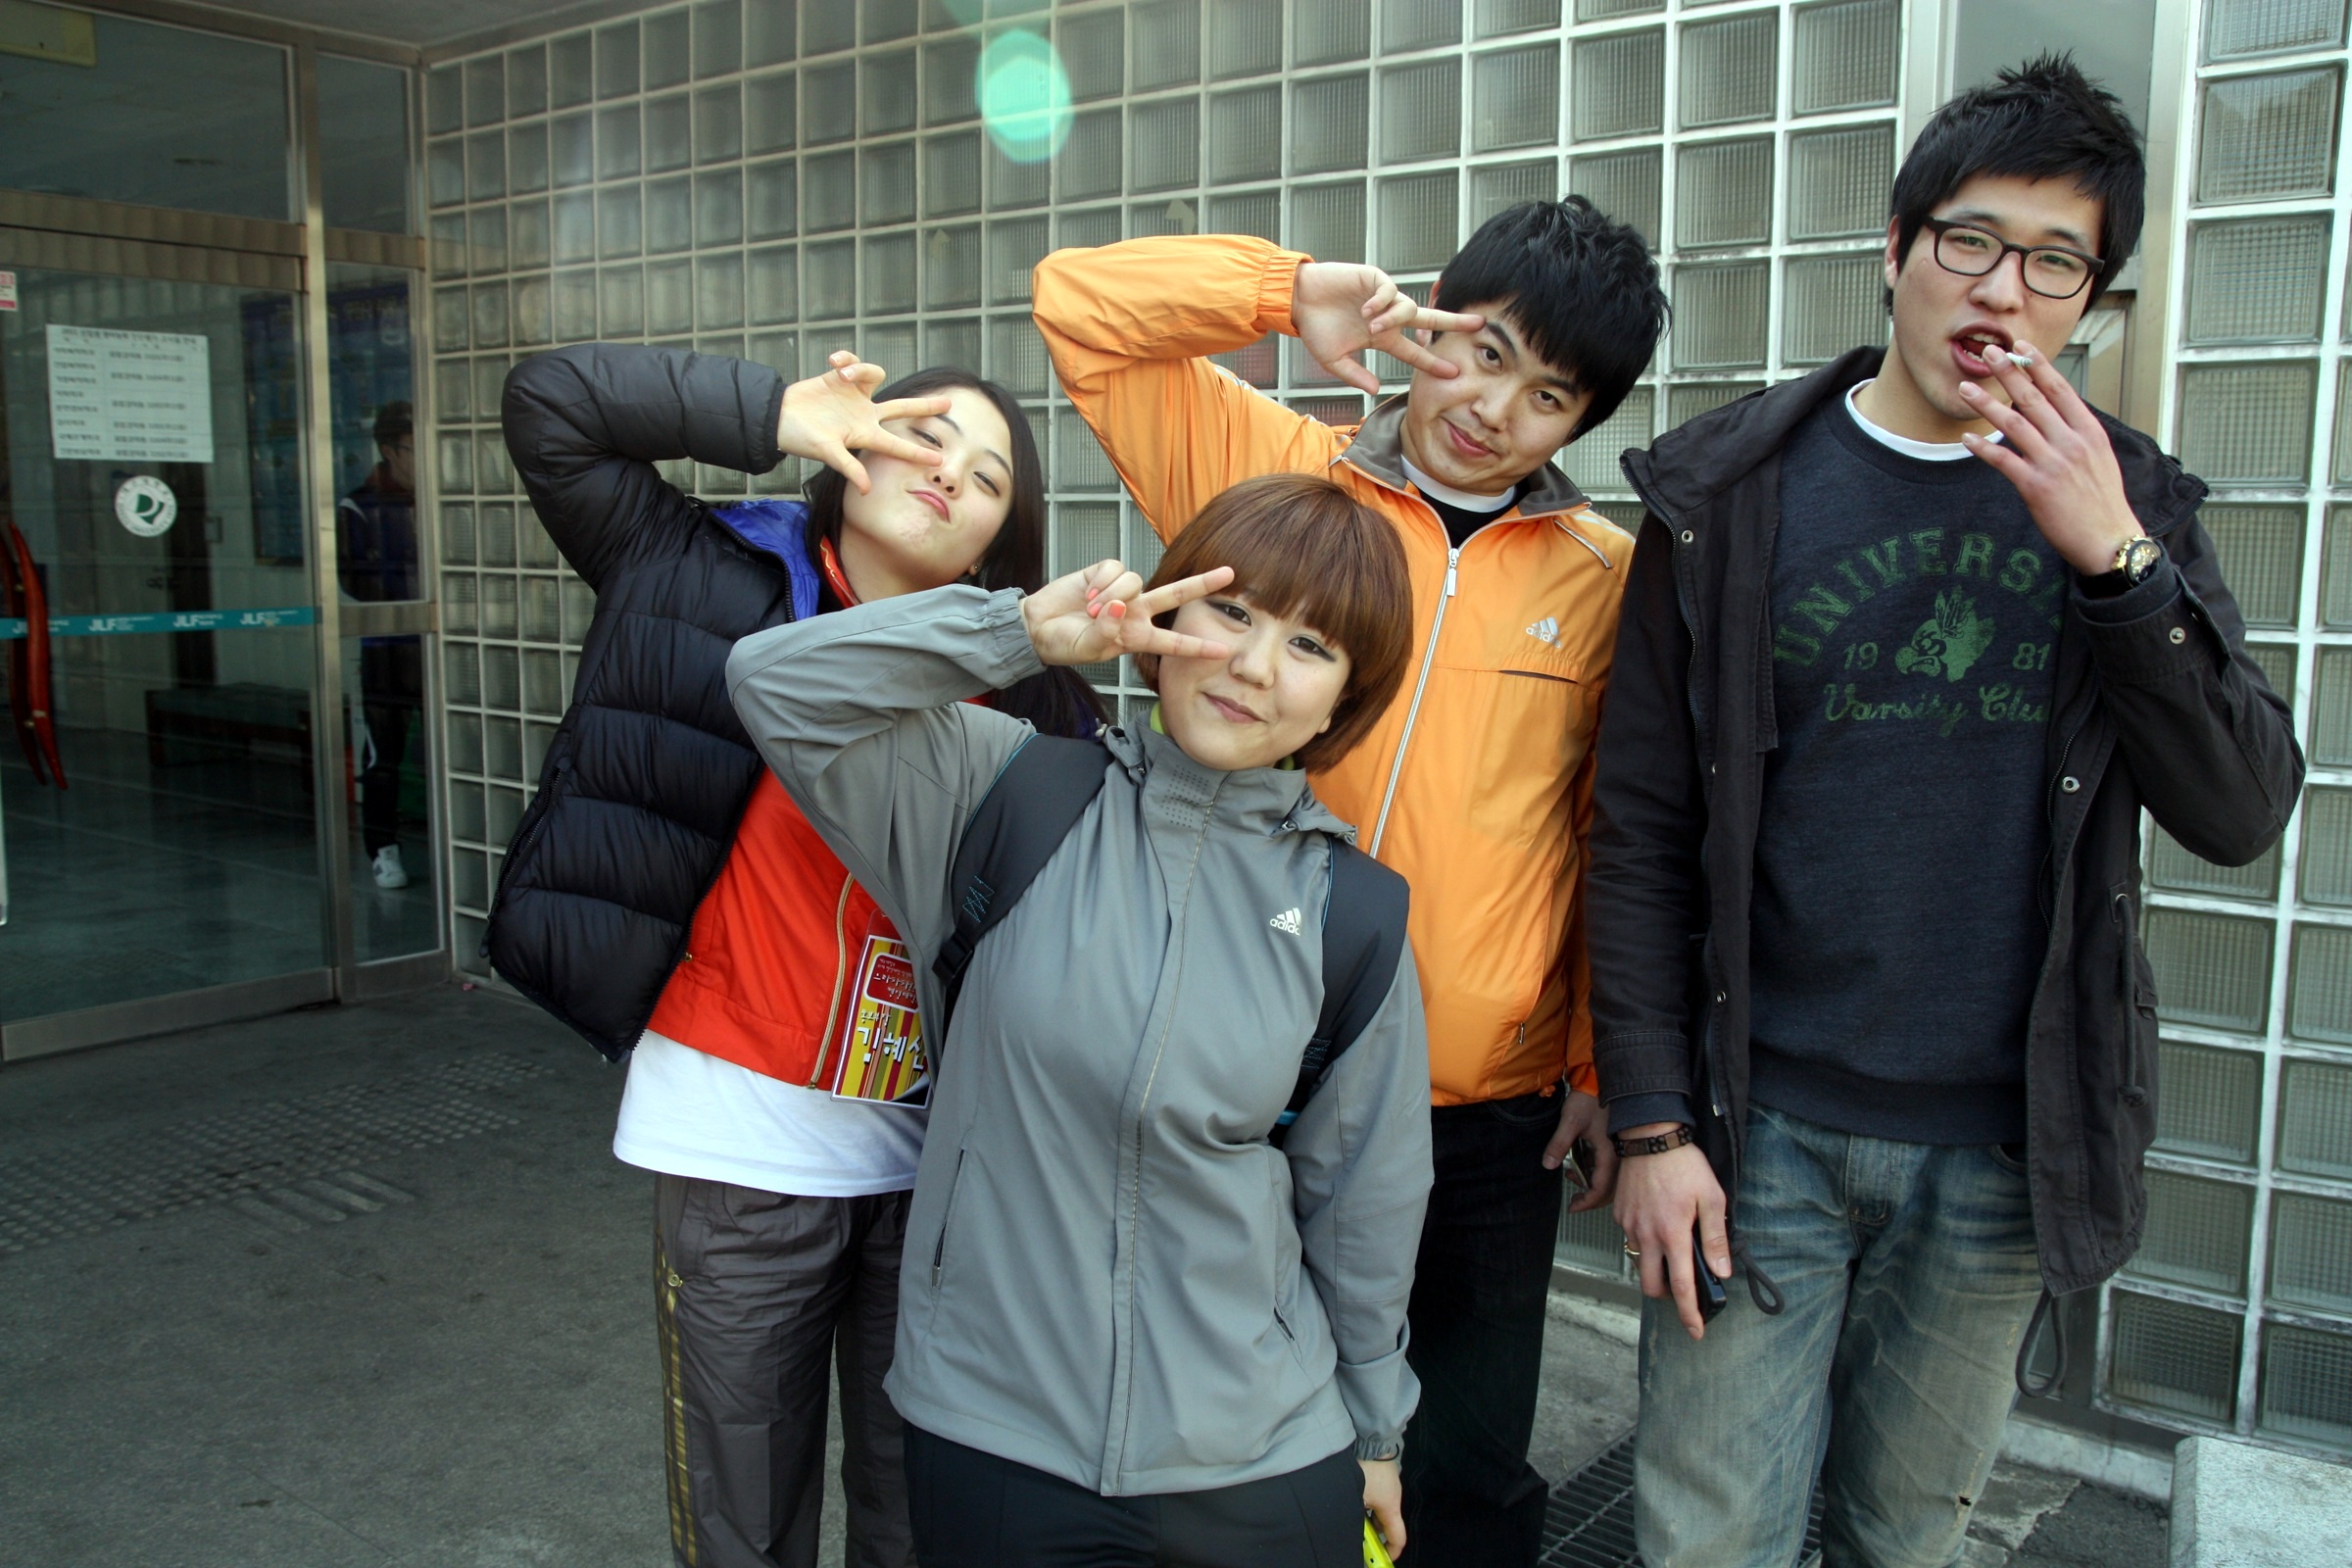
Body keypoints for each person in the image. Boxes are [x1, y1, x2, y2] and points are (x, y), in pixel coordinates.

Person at [1590, 57, 2304, 1568]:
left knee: (1905, 1536)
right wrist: (1652, 1120)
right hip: (1757, 1128)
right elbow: (1640, 827)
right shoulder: (1727, 496)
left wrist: (2116, 566)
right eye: (1971, 241)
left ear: (2090, 300)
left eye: (2056, 263)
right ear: (1898, 247)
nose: (2004, 291)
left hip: (2000, 1147)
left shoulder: (2136, 507)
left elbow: (2242, 808)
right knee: (1707, 1538)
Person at [1032, 201, 1669, 1564]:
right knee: (1225, 1449)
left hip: (1480, 1109)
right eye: (1482, 351)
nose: (1492, 408)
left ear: (1584, 420)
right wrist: (1289, 291)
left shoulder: (1605, 581)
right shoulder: (1276, 476)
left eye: (1548, 394)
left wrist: (1594, 1061)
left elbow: (1610, 833)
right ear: (1430, 317)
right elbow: (1077, 307)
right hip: (1235, 1080)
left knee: (1465, 1468)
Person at [727, 470, 1433, 1568]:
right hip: (996, 1433)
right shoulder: (1008, 793)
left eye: (1311, 646)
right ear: (1165, 613)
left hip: (1261, 1450)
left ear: (1346, 699)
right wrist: (1016, 634)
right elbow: (773, 683)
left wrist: (1377, 1431)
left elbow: (1366, 1204)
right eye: (1232, 611)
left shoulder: (1357, 914)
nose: (1253, 665)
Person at [491, 342, 1102, 1568]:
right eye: (924, 436)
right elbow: (549, 404)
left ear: (995, 543)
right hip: (741, 1138)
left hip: (933, 1166)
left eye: (988, 479)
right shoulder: (694, 568)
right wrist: (770, 410)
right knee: (744, 1523)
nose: (950, 475)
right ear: (854, 442)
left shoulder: (1029, 685)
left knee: (916, 1516)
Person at [337, 400, 421, 890]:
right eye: (414, 447)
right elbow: (352, 579)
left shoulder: (443, 496)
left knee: (460, 744)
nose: (423, 457)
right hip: (386, 650)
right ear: (389, 450)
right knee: (382, 755)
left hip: (440, 646)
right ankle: (383, 850)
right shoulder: (358, 505)